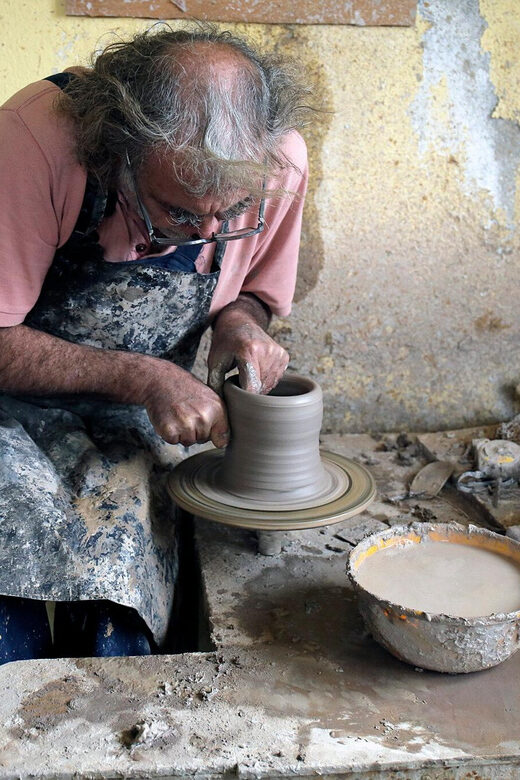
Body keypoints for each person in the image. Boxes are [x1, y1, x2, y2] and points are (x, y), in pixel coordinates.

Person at [0, 25, 308, 662]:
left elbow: (251, 291)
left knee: (123, 591)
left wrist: (241, 324)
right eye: (181, 214)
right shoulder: (33, 143)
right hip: (8, 401)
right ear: (122, 153)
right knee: (13, 584)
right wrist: (142, 376)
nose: (210, 232)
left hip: (132, 414)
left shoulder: (277, 164)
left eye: (233, 212)